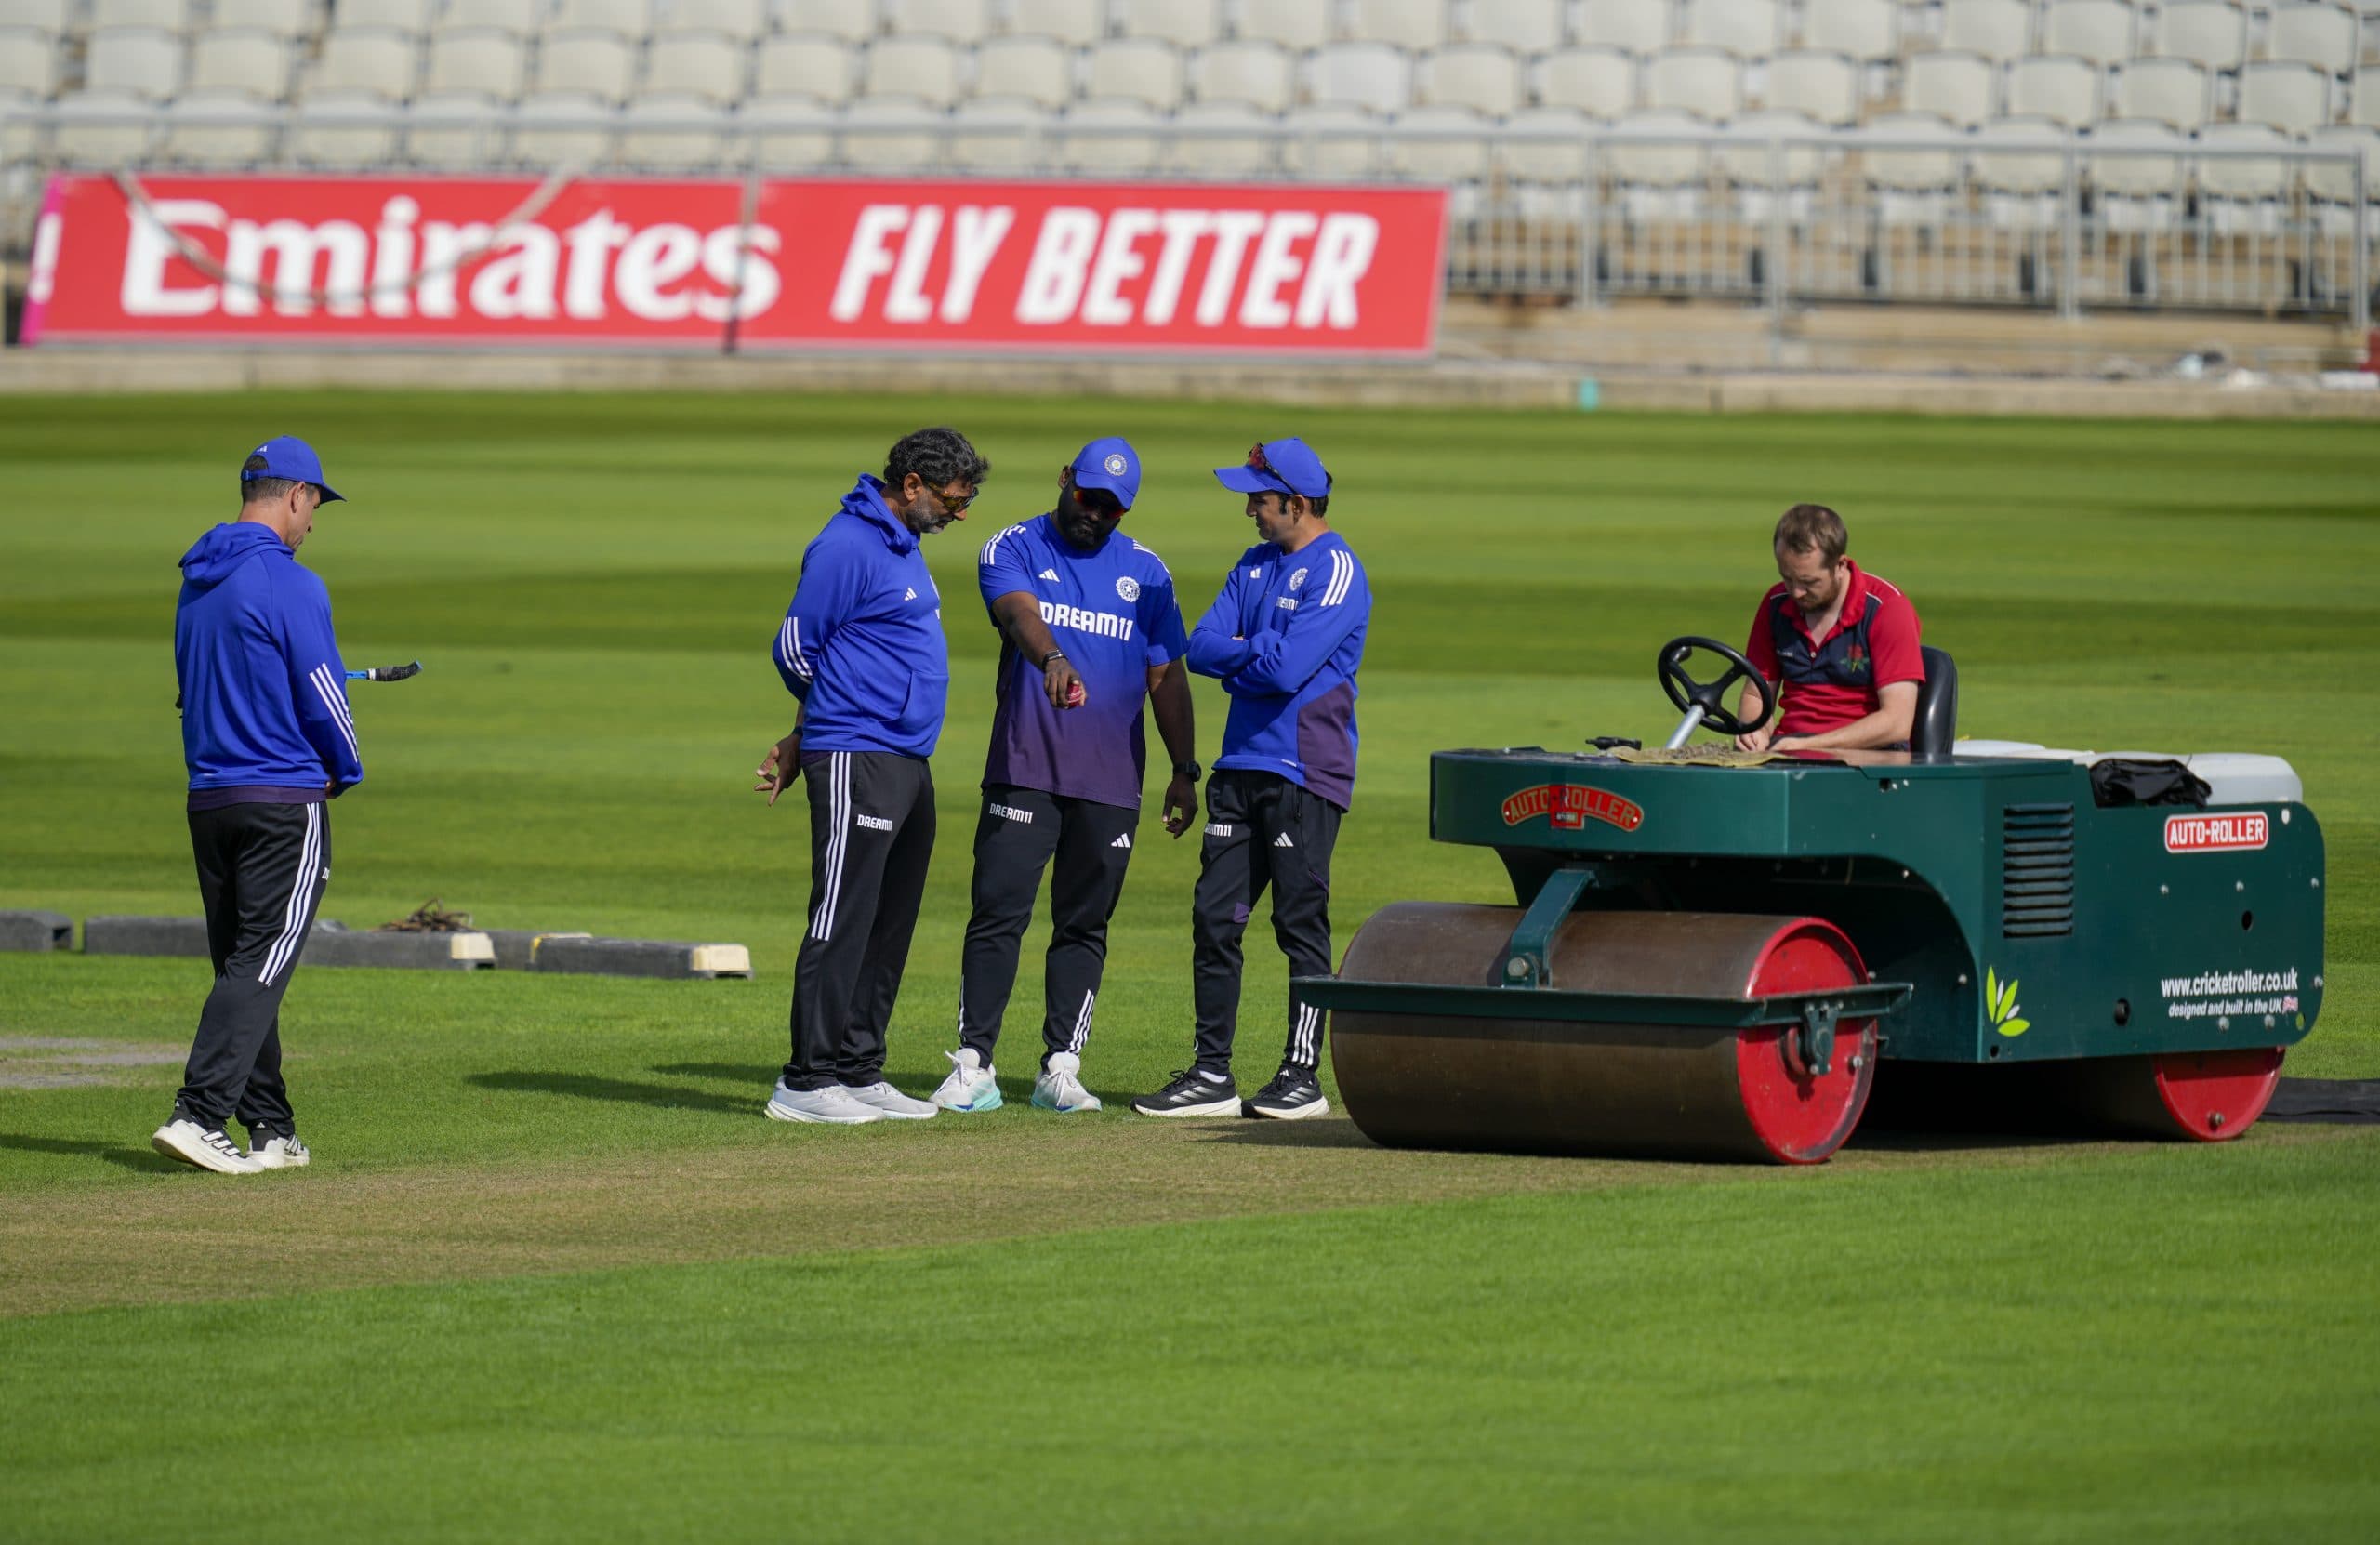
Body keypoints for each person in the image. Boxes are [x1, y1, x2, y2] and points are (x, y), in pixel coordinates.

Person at [930, 439, 1199, 1116]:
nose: (1095, 514)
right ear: (1063, 481)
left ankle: (1061, 1067)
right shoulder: (1013, 545)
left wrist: (1185, 770)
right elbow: (1018, 613)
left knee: (1085, 925)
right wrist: (1050, 655)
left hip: (1111, 781)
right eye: (1086, 497)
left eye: (1111, 507)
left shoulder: (1148, 571)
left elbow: (1165, 674)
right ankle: (974, 1063)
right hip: (1025, 768)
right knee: (999, 914)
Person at [754, 427, 988, 1125]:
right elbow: (796, 645)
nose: (960, 512)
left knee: (891, 921)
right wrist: (825, 727)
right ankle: (806, 1080)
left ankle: (858, 1068)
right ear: (911, 484)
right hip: (858, 752)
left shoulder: (903, 544)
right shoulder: (848, 543)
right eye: (952, 498)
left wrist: (807, 730)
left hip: (906, 759)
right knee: (842, 913)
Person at [1134, 438, 1370, 1122]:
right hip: (1239, 769)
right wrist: (1256, 651)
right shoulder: (1254, 563)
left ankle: (1302, 1077)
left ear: (1296, 503)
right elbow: (1200, 644)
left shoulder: (1337, 570)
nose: (1249, 511)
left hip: (1303, 769)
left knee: (1298, 924)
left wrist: (1249, 653)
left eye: (1259, 500)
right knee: (1215, 919)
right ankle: (1212, 1072)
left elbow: (1284, 672)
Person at [153, 435, 359, 1175]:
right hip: (282, 799)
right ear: (297, 494)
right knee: (261, 963)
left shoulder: (197, 576)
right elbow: (325, 695)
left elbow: (191, 688)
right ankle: (199, 1114)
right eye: (314, 507)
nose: (312, 523)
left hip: (210, 797)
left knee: (246, 963)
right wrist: (347, 768)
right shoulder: (292, 583)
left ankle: (270, 1126)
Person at [1733, 503, 1924, 754]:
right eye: (1787, 578)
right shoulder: (1776, 604)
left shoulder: (1887, 609)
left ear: (1840, 566)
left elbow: (1896, 723)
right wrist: (1753, 731)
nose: (1797, 592)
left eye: (1809, 582)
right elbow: (1756, 696)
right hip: (1788, 751)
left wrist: (1808, 745)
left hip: (1867, 762)